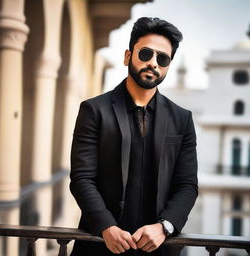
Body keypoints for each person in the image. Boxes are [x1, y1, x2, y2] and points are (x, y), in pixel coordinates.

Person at [69, 17, 198, 256]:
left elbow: (187, 185)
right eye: (146, 54)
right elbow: (82, 178)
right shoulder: (94, 110)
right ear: (128, 56)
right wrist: (106, 227)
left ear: (168, 65)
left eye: (162, 58)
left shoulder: (183, 119)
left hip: (160, 247)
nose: (153, 63)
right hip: (100, 245)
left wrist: (164, 227)